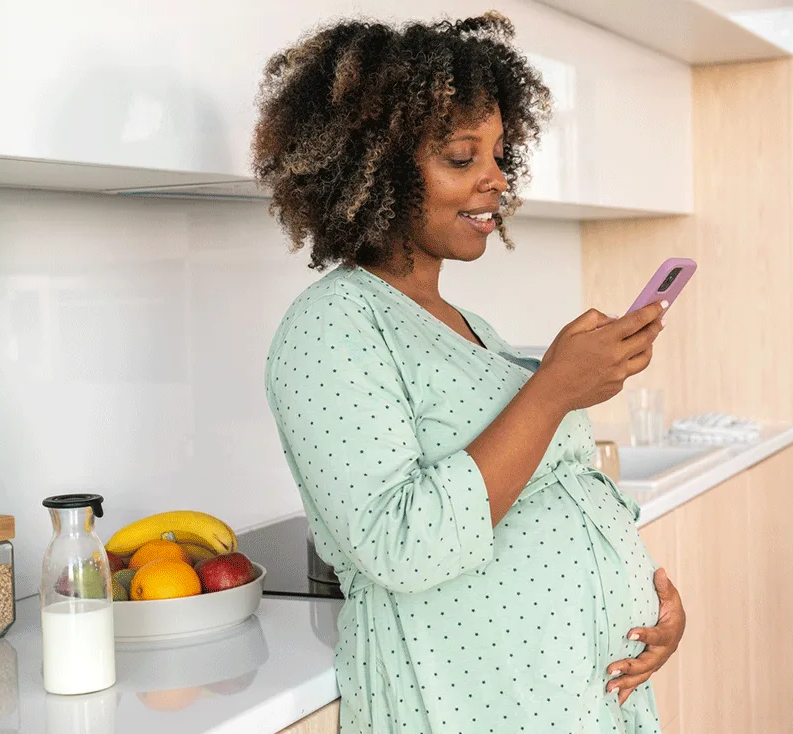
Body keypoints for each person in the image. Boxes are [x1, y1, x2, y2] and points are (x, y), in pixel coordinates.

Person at [256, 13, 685, 733]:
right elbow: (402, 542)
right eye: (462, 157)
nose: (497, 180)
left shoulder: (470, 331)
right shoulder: (331, 326)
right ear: (374, 165)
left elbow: (558, 500)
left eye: (499, 154)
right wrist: (553, 389)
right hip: (467, 705)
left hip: (578, 695)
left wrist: (644, 603)